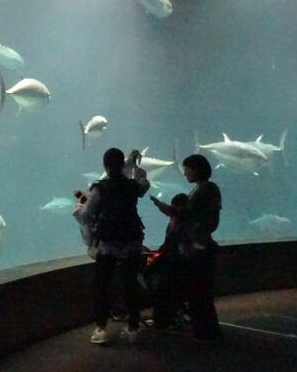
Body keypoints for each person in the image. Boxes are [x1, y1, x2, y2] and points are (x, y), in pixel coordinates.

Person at [75, 147, 149, 345]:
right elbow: (144, 183)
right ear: (121, 165)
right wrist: (134, 166)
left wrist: (78, 211)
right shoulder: (133, 186)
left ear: (105, 166)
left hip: (107, 244)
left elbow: (87, 214)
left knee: (102, 286)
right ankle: (133, 327)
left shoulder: (100, 188)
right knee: (130, 284)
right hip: (132, 242)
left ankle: (101, 328)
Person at [150, 153, 224, 342]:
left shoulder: (205, 189)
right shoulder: (204, 188)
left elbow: (190, 214)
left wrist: (166, 207)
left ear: (197, 169)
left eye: (187, 169)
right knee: (199, 293)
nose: (185, 173)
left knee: (199, 294)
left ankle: (206, 333)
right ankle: (206, 332)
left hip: (198, 250)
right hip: (199, 248)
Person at [144, 192, 191, 330]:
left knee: (164, 287)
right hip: (173, 259)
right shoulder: (182, 220)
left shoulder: (180, 222)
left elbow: (169, 210)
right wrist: (157, 202)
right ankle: (169, 317)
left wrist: (158, 203)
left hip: (173, 261)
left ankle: (163, 320)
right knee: (168, 288)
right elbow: (167, 210)